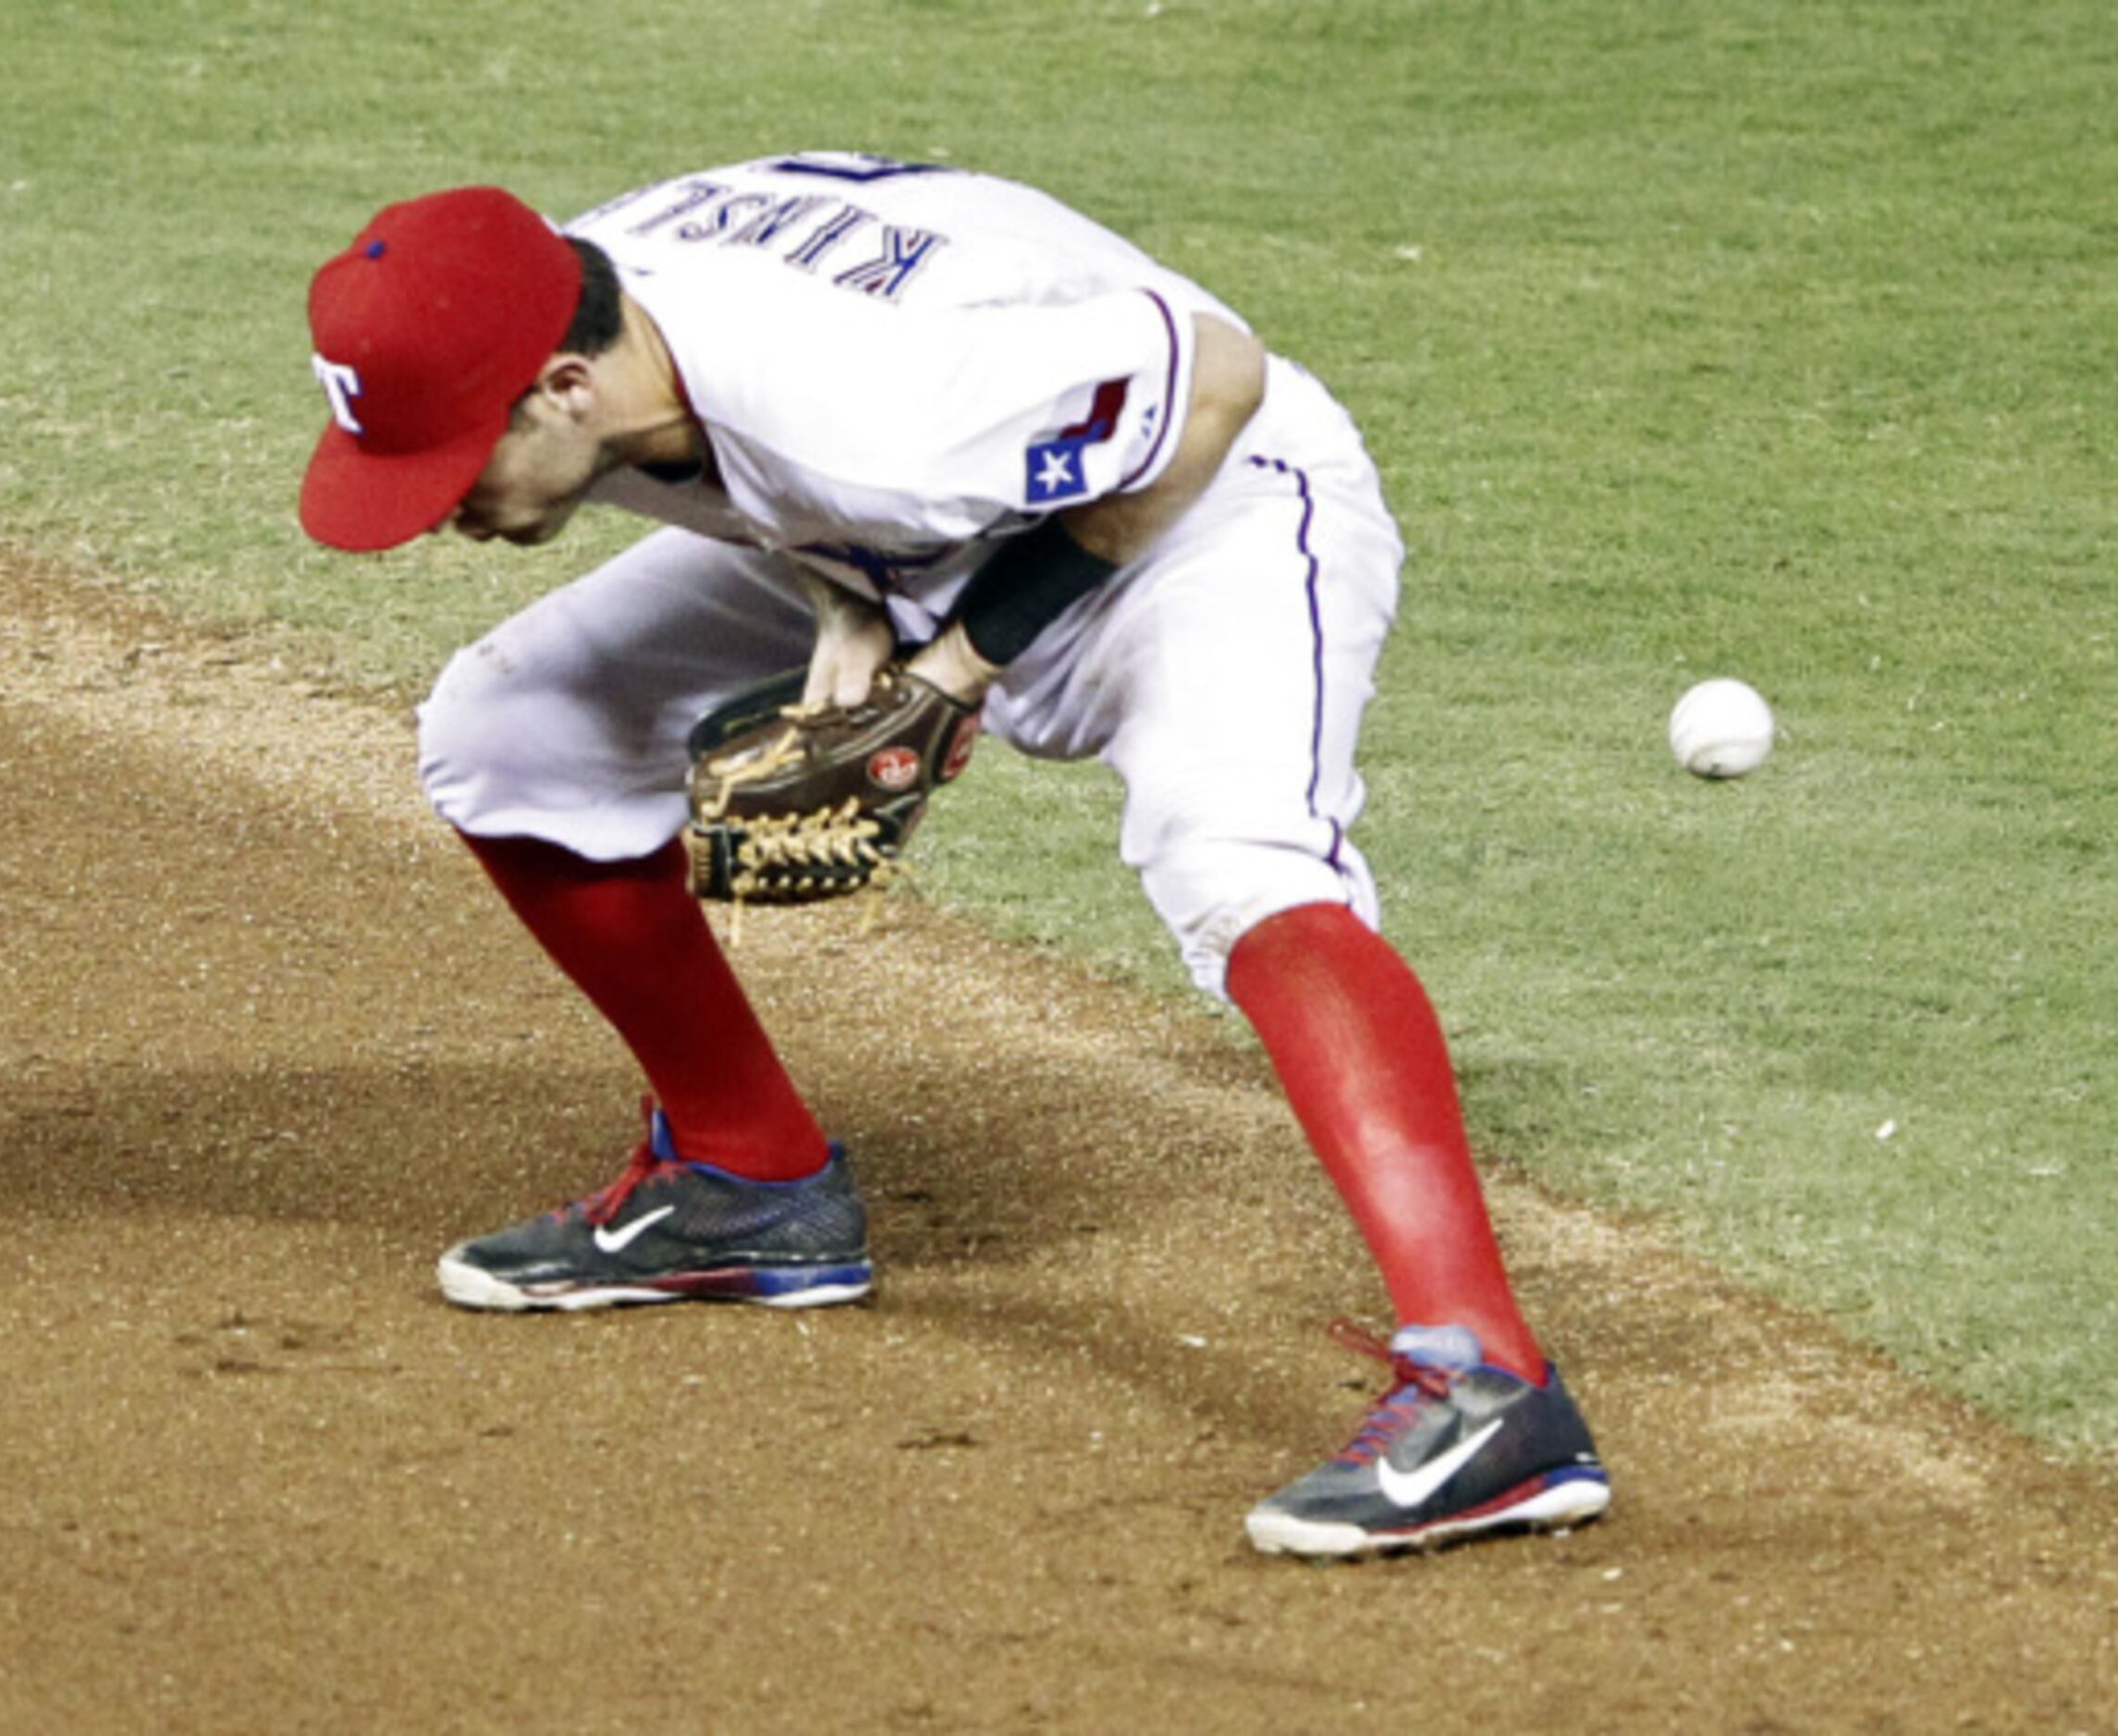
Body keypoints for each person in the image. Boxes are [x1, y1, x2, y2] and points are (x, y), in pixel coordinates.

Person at [295, 152, 1610, 1557]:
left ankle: (1491, 1390)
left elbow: (1213, 380)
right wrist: (845, 598)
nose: (440, 508)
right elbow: (748, 469)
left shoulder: (873, 417)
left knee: (1233, 857)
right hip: (918, 520)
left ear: (563, 388)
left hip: (1203, 502)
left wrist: (958, 667)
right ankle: (748, 1182)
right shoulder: (581, 308)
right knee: (515, 728)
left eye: (452, 466)